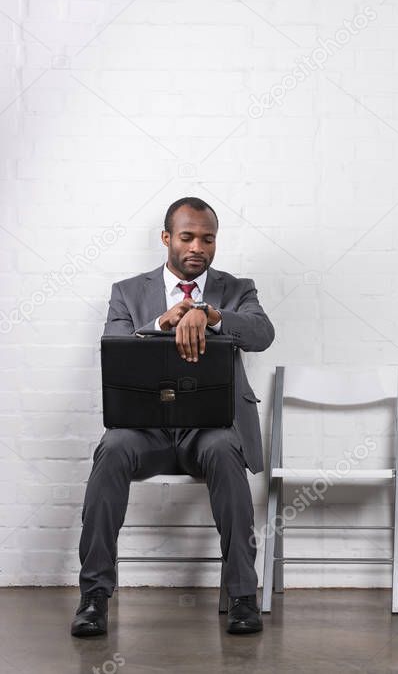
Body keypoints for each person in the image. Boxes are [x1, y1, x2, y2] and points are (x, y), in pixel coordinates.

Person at [72, 197, 274, 637]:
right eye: (187, 236)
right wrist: (161, 323)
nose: (197, 246)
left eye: (208, 238)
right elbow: (115, 342)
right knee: (111, 448)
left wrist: (211, 314)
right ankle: (94, 597)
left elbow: (261, 333)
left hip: (210, 429)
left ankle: (242, 596)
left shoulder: (237, 289)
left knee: (224, 450)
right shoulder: (127, 291)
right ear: (167, 238)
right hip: (146, 431)